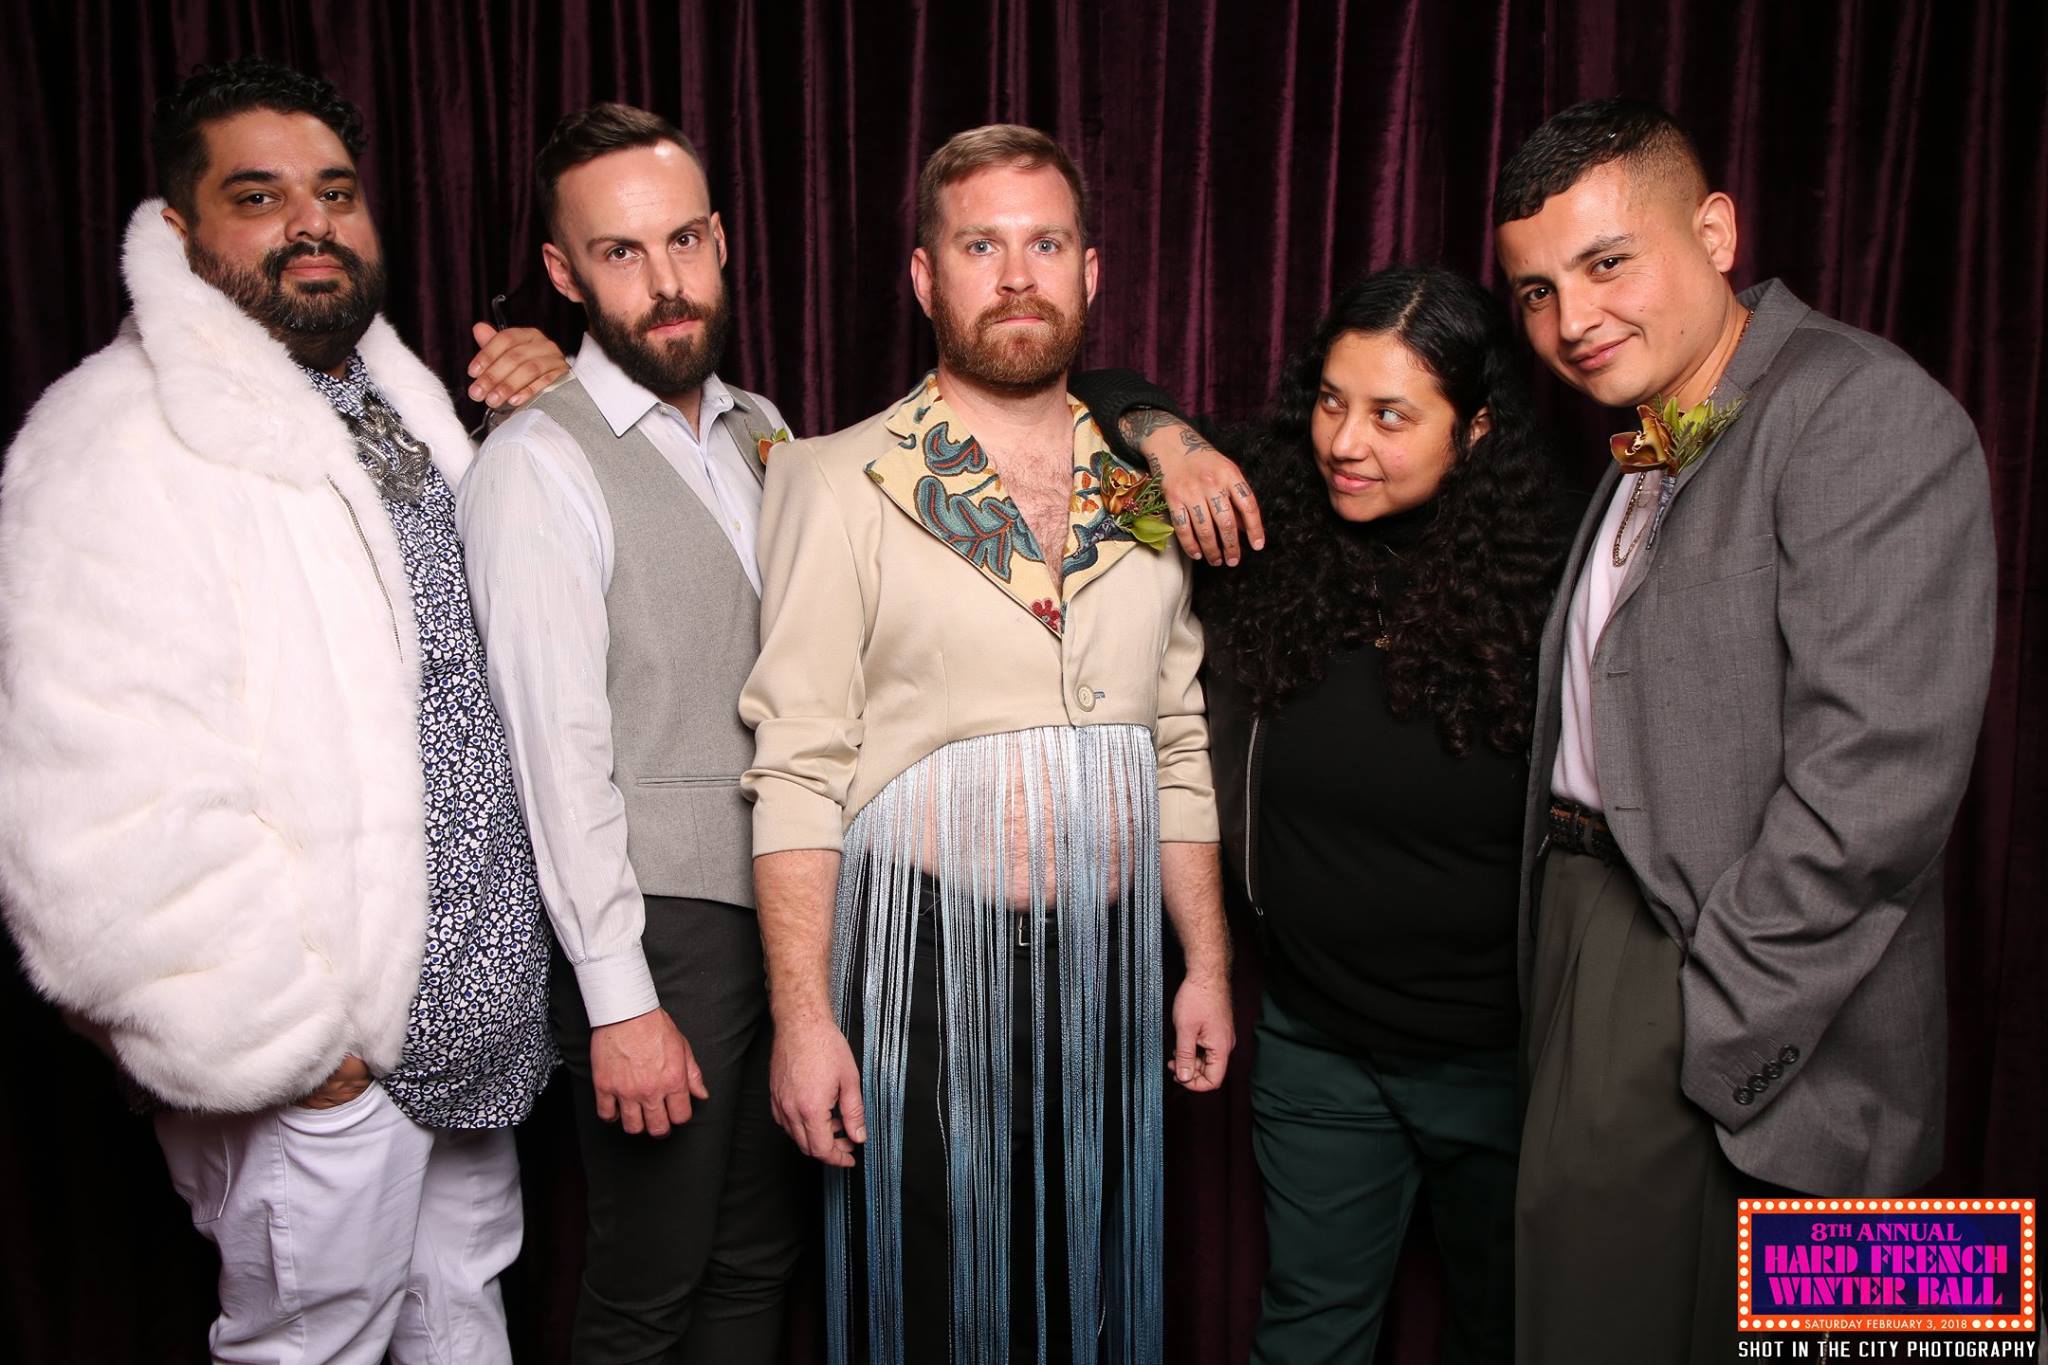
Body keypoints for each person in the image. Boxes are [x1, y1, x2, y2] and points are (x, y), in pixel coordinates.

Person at [0, 57, 569, 1363]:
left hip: (468, 1031)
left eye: (338, 191)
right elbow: (94, 805)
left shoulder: (401, 402)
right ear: (178, 227)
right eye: (258, 196)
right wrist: (291, 1040)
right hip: (323, 1057)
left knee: (463, 1325)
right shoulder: (114, 441)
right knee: (309, 1347)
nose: (312, 222)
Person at [1491, 98, 1995, 1361]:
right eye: (1537, 291)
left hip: (1741, 977)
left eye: (1607, 264)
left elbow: (1880, 777)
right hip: (1597, 935)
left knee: (1832, 1334)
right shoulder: (1654, 433)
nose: (1572, 320)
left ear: (1713, 232)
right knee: (1586, 1318)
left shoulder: (1866, 408)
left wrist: (1715, 1013)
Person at [741, 123, 1237, 1364]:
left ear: (1090, 271)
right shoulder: (830, 477)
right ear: (925, 278)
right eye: (980, 245)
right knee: (930, 1294)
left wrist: (1206, 964)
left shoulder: (1144, 491)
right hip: (911, 974)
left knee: (1088, 1294)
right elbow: (795, 765)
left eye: (1044, 243)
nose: (1016, 275)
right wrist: (804, 1022)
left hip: (1106, 973)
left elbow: (1177, 738)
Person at [1093, 268, 1570, 1364]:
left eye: (1391, 415)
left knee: (1514, 1335)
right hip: (1318, 1047)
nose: (1344, 442)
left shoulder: (1553, 582)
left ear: (1477, 428)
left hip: (1501, 1065)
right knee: (1306, 1338)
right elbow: (1103, 393)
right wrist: (1174, 446)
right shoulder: (1269, 514)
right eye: (1328, 400)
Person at [458, 102, 807, 1361]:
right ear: (562, 274)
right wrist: (618, 998)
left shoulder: (763, 428)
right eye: (618, 253)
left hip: (781, 905)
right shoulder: (536, 466)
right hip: (659, 930)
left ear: (720, 238)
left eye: (685, 240)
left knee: (758, 1260)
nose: (665, 284)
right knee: (648, 1282)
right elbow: (549, 753)